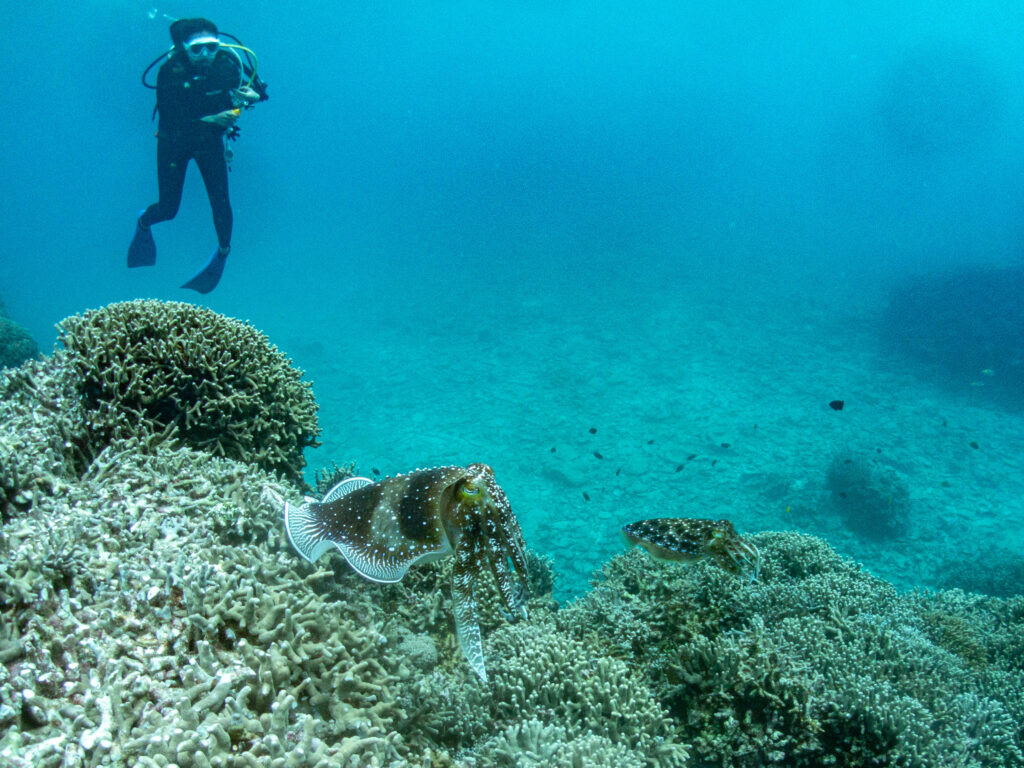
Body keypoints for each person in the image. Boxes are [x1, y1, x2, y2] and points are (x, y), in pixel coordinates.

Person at [128, 18, 267, 293]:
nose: (206, 55)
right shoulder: (170, 71)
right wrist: (215, 119)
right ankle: (144, 222)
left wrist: (251, 96)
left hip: (210, 143)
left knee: (221, 203)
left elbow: (260, 92)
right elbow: (171, 118)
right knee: (169, 209)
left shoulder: (228, 63)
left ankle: (223, 253)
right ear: (183, 47)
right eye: (197, 49)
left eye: (211, 47)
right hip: (173, 144)